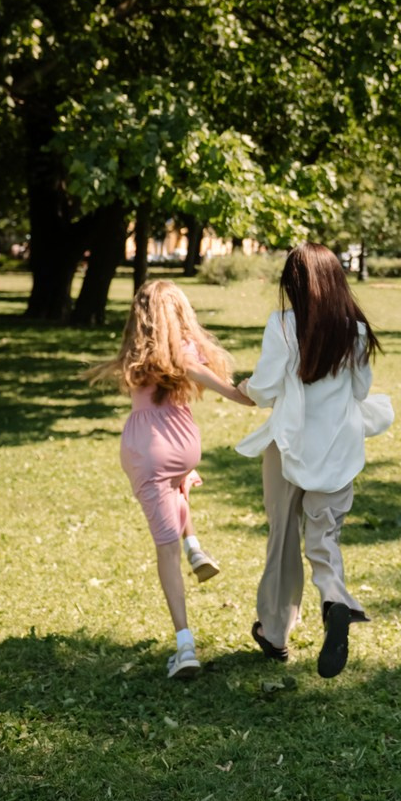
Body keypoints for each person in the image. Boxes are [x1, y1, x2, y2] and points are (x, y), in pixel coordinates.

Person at [236, 244, 393, 680]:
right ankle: (334, 600)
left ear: (293, 286)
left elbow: (265, 389)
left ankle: (274, 633)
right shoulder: (355, 331)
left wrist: (244, 386)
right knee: (324, 541)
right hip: (339, 449)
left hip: (288, 448)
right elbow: (361, 391)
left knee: (282, 537)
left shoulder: (283, 326)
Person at [89, 279, 255, 681]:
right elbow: (237, 394)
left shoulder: (137, 356)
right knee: (177, 484)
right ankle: (195, 547)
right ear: (181, 313)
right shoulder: (187, 351)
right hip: (183, 449)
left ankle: (184, 645)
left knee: (166, 552)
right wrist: (253, 390)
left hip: (148, 450)